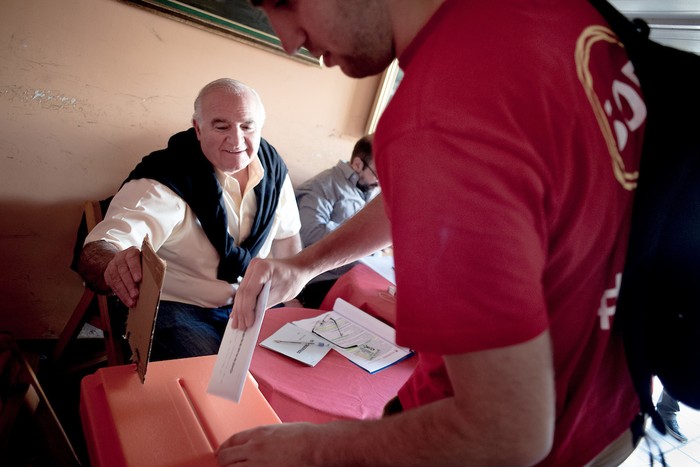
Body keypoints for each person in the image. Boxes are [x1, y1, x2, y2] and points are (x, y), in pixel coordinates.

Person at [219, 1, 647, 466]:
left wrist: (309, 449)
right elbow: (440, 182)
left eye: (283, 1)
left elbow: (503, 431)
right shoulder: (556, 15)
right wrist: (305, 264)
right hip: (615, 407)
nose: (288, 39)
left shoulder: (438, 113)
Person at [78, 78, 302, 361]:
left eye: (247, 126)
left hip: (254, 303)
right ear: (198, 128)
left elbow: (288, 244)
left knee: (293, 367)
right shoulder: (165, 179)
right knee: (210, 375)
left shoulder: (274, 169)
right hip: (178, 307)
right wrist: (114, 262)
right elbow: (104, 245)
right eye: (221, 126)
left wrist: (293, 307)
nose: (236, 140)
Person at [295, 134, 379, 308]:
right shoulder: (323, 185)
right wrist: (362, 240)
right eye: (378, 175)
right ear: (357, 164)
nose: (380, 183)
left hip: (354, 276)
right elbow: (311, 235)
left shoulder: (365, 190)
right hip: (321, 280)